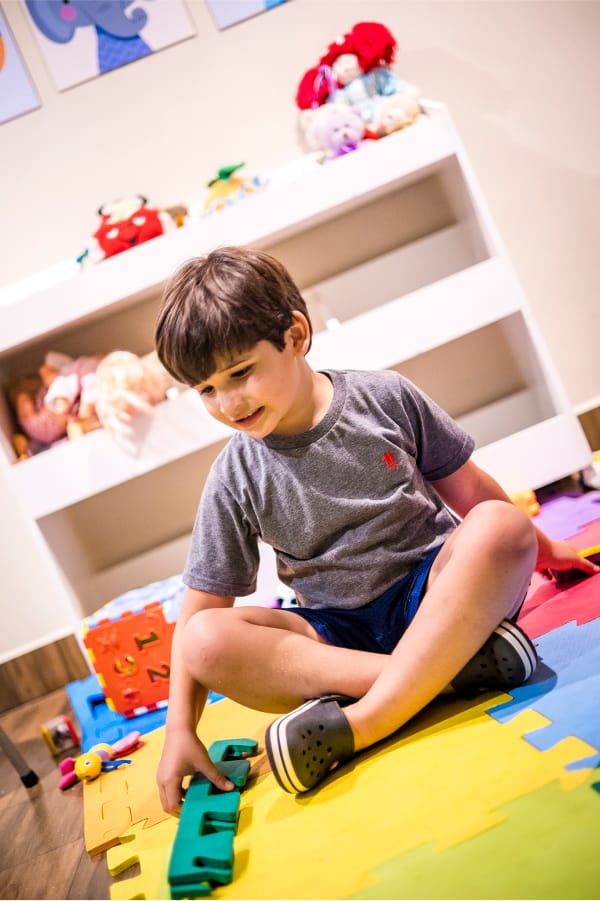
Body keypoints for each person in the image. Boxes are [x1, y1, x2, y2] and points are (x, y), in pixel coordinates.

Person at [155, 246, 597, 812]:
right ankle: (448, 672)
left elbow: (473, 493)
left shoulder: (384, 397)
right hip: (334, 639)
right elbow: (199, 616)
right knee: (203, 639)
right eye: (206, 390)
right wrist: (178, 731)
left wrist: (547, 550)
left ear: (295, 334)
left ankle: (369, 717)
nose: (228, 403)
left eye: (240, 373)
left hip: (436, 596)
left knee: (500, 525)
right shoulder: (234, 474)